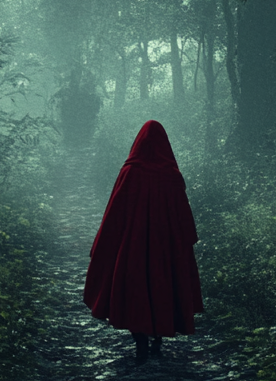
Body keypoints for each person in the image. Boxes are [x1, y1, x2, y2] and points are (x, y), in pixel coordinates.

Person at [82, 120, 204, 364]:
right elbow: (183, 215)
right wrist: (186, 239)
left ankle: (140, 342)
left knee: (134, 289)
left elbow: (115, 211)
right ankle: (157, 339)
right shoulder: (171, 175)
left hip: (133, 246)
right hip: (166, 247)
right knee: (163, 286)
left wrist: (106, 242)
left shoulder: (130, 172)